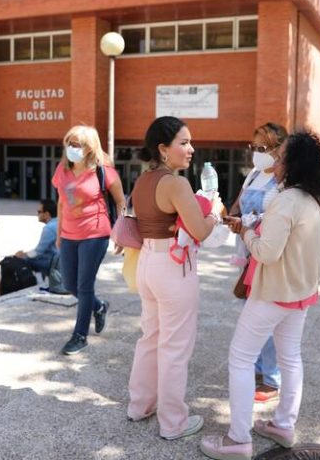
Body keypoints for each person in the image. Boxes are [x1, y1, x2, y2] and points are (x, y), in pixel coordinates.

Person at [199, 131, 320, 460]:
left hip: (273, 292)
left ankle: (238, 439)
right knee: (291, 358)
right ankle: (284, 425)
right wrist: (258, 225)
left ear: (293, 163)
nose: (274, 160)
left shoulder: (285, 199)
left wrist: (246, 231)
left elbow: (267, 252)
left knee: (241, 358)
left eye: (280, 156)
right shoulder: (319, 198)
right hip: (302, 292)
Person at [127, 116, 223, 440]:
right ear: (163, 149)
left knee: (150, 338)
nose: (191, 149)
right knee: (175, 348)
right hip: (173, 266)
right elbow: (201, 230)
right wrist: (214, 213)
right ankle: (173, 423)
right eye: (183, 142)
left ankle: (139, 405)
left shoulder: (143, 181)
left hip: (147, 264)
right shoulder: (176, 184)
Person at [52, 125, 125, 356]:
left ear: (90, 147)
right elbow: (62, 202)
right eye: (69, 143)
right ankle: (99, 306)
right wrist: (58, 233)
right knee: (70, 284)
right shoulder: (62, 169)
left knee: (84, 285)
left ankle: (79, 336)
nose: (72, 148)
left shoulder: (103, 172)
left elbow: (121, 203)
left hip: (95, 233)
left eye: (77, 144)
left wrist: (121, 233)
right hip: (68, 234)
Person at [227, 122, 287, 404]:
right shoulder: (252, 174)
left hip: (267, 252)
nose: (256, 154)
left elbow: (282, 218)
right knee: (249, 311)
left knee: (268, 316)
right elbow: (237, 206)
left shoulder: (282, 179)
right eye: (253, 147)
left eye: (262, 148)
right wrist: (227, 217)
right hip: (247, 249)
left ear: (278, 150)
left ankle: (272, 379)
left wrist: (250, 223)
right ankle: (258, 368)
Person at [14, 198, 66, 295]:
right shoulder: (60, 222)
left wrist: (22, 255)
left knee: (26, 260)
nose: (37, 214)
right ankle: (41, 283)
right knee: (37, 257)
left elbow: (38, 252)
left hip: (57, 264)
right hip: (64, 261)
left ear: (47, 214)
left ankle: (38, 284)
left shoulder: (49, 228)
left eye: (39, 212)